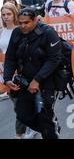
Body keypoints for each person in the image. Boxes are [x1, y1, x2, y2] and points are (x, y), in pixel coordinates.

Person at [3, 8, 62, 139]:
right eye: (20, 23)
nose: (23, 26)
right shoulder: (17, 32)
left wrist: (37, 80)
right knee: (23, 115)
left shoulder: (48, 33)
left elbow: (54, 59)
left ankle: (50, 129)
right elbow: (10, 57)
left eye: (26, 22)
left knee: (44, 117)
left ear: (35, 20)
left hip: (46, 82)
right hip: (24, 82)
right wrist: (7, 78)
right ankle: (51, 126)